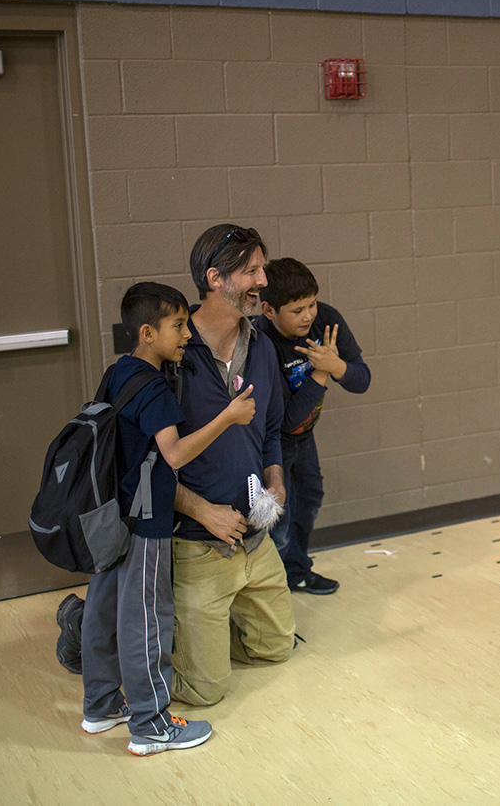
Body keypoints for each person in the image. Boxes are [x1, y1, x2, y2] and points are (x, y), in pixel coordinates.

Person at [80, 282, 254, 755]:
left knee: (105, 607)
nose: (185, 334)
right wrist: (228, 417)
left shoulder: (120, 372)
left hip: (111, 515)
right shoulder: (154, 387)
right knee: (147, 619)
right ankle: (151, 723)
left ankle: (99, 706)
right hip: (146, 519)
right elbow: (173, 454)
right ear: (147, 332)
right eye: (178, 325)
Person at [169, 224, 298, 707]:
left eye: (261, 268)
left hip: (253, 539)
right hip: (198, 542)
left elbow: (269, 434)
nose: (263, 280)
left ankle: (199, 637)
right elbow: (150, 462)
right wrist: (203, 511)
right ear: (214, 279)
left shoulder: (262, 347)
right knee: (207, 692)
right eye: (251, 271)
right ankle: (112, 640)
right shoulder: (174, 351)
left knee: (276, 648)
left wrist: (276, 482)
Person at [254, 257, 371, 595]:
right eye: (297, 309)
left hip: (304, 436)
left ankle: (296, 571)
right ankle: (270, 593)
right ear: (269, 310)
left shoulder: (327, 322)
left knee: (310, 497)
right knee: (279, 516)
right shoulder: (262, 345)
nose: (308, 315)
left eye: (312, 304)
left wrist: (336, 365)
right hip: (271, 441)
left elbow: (361, 379)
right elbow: (287, 419)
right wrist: (322, 371)